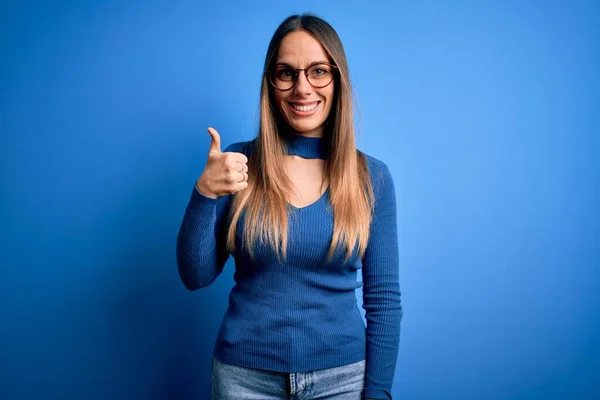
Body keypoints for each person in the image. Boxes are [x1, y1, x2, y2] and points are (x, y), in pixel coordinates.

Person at [176, 13, 402, 400]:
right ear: (270, 82)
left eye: (317, 71)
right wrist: (204, 193)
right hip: (244, 380)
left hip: (342, 382)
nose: (302, 88)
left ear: (338, 79)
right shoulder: (240, 164)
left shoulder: (372, 178)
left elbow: (384, 301)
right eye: (286, 73)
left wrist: (377, 393)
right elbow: (196, 275)